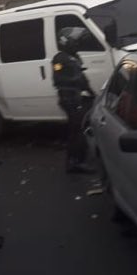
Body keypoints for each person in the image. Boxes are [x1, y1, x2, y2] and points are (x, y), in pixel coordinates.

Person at [51, 27, 94, 174]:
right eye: (75, 41)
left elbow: (81, 78)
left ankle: (78, 159)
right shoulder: (60, 59)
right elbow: (60, 78)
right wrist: (77, 81)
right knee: (76, 132)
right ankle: (74, 163)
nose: (77, 43)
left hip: (76, 98)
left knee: (79, 130)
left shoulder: (73, 57)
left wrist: (89, 91)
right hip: (69, 99)